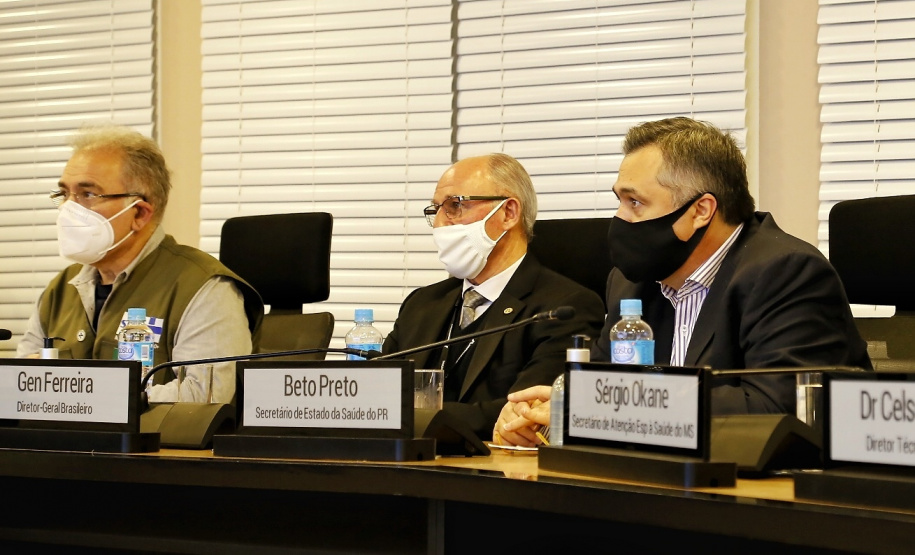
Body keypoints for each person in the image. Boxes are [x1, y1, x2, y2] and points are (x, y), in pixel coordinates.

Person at [496, 116, 872, 446]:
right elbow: (600, 388)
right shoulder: (630, 284)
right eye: (620, 201)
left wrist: (602, 408)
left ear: (701, 210)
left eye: (635, 202)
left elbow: (777, 410)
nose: (619, 218)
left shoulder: (786, 273)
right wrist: (548, 415)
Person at [17, 125, 263, 403]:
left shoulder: (204, 288)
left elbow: (206, 396)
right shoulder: (60, 290)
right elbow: (22, 385)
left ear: (140, 213)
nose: (67, 209)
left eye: (87, 194)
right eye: (64, 194)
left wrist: (82, 396)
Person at [383, 153, 605, 440]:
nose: (439, 223)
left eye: (455, 205)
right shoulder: (422, 304)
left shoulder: (564, 308)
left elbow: (525, 411)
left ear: (508, 213)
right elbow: (377, 395)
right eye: (435, 210)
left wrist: (410, 418)